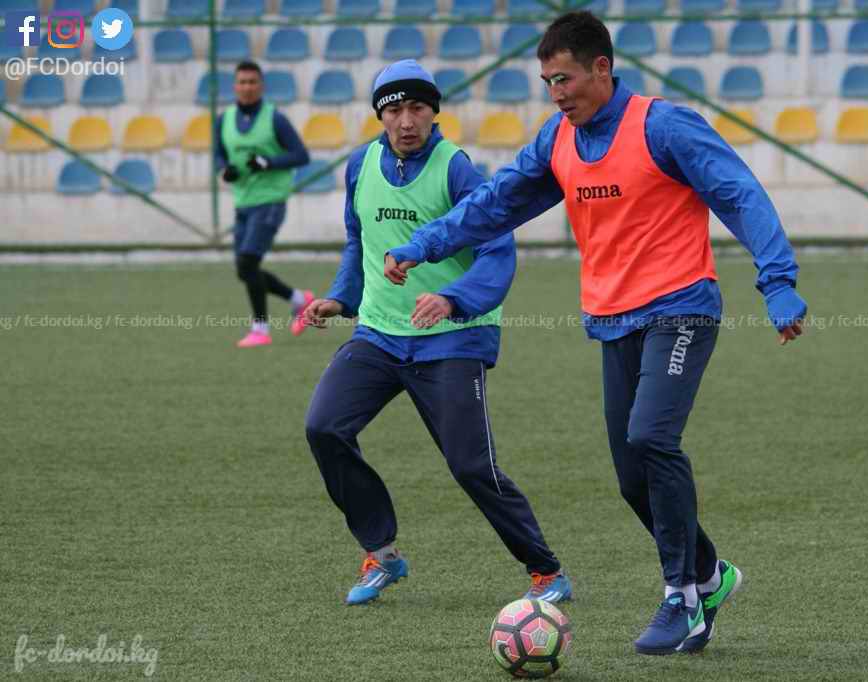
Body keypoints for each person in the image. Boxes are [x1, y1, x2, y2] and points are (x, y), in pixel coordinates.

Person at [385, 12, 806, 654]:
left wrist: (777, 281)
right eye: (548, 83)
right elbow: (496, 202)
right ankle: (708, 574)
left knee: (651, 437)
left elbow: (739, 193)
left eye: (565, 79)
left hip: (682, 308)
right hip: (613, 318)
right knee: (632, 478)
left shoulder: (663, 126)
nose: (557, 93)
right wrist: (425, 243)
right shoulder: (558, 139)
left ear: (602, 68)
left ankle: (682, 599)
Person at [302, 60, 571, 606]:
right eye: (395, 110)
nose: (406, 121)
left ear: (434, 112)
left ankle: (546, 571)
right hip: (379, 334)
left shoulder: (456, 169)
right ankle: (382, 551)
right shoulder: (360, 165)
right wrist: (341, 297)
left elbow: (497, 249)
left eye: (418, 108)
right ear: (380, 115)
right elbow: (359, 240)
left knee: (470, 465)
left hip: (453, 337)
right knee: (324, 427)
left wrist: (453, 299)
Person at [214, 60, 313, 348]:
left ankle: (260, 329)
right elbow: (218, 154)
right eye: (242, 82)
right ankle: (299, 299)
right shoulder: (224, 120)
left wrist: (268, 162)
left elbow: (301, 155)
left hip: (270, 200)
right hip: (243, 201)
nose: (247, 87)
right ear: (235, 86)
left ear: (261, 86)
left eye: (252, 82)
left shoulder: (275, 119)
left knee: (248, 262)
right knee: (244, 269)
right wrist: (224, 170)